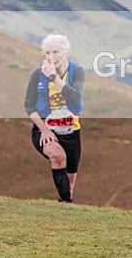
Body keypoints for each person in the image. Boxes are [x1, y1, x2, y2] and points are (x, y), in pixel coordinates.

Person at [24, 32, 86, 203]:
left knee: (71, 180)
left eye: (56, 52)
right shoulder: (37, 75)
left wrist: (54, 77)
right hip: (46, 130)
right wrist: (43, 129)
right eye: (47, 53)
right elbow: (28, 105)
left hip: (71, 132)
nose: (51, 57)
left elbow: (75, 98)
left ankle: (67, 206)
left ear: (67, 52)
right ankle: (66, 203)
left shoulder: (77, 72)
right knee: (58, 156)